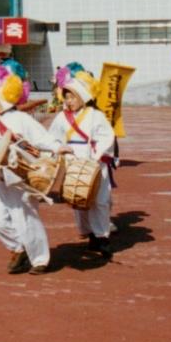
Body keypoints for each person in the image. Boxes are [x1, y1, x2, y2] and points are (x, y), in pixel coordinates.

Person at [0, 66, 67, 275]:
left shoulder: (22, 119)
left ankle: (40, 259)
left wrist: (57, 146)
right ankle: (19, 248)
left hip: (21, 176)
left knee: (26, 218)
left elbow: (41, 137)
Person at [48, 68, 116, 258]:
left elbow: (107, 137)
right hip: (73, 161)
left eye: (72, 97)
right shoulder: (61, 117)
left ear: (82, 96)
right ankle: (90, 234)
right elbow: (52, 137)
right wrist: (59, 149)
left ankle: (103, 237)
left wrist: (96, 155)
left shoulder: (96, 115)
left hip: (95, 162)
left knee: (100, 200)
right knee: (78, 198)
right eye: (66, 97)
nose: (69, 101)